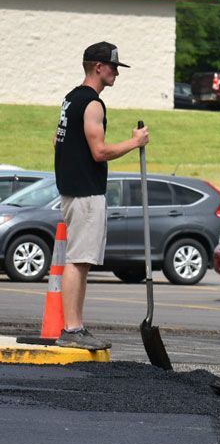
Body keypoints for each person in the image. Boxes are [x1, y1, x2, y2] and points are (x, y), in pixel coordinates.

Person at [53, 42, 150, 350]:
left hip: (71, 189)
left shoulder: (70, 99)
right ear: (98, 67)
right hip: (86, 193)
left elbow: (57, 143)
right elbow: (100, 151)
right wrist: (135, 142)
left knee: (79, 259)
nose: (116, 74)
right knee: (79, 260)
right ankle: (72, 328)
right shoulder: (92, 103)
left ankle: (75, 326)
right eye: (113, 68)